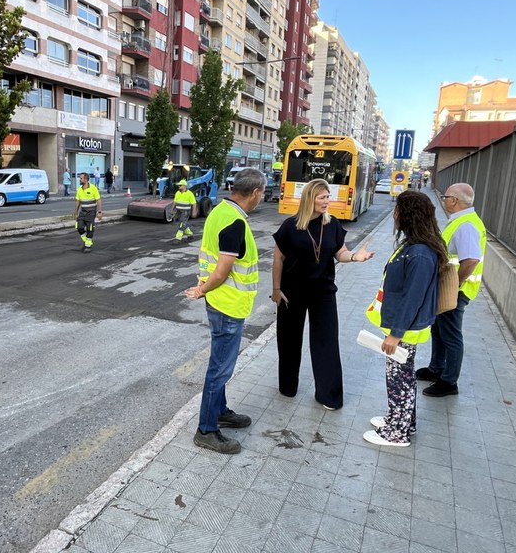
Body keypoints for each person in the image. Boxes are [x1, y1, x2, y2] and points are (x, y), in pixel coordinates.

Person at [271, 178, 374, 410]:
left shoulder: (333, 224)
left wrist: (355, 257)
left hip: (323, 293)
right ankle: (287, 386)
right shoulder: (290, 226)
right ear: (310, 198)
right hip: (291, 292)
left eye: (328, 196)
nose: (327, 201)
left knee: (326, 342)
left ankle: (329, 396)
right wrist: (276, 290)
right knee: (288, 341)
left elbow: (340, 252)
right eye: (322, 197)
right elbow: (278, 259)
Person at [184, 168, 267, 454]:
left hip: (220, 300)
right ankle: (206, 430)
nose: (261, 197)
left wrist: (203, 288)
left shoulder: (219, 211)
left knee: (219, 364)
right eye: (262, 193)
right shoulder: (234, 222)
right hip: (227, 304)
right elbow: (221, 271)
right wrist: (202, 290)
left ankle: (219, 411)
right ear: (254, 193)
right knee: (220, 369)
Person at [363, 191, 449, 447]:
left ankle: (397, 433)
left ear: (409, 215)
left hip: (405, 330)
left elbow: (413, 297)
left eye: (398, 210)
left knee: (398, 379)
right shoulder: (415, 245)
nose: (394, 215)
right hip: (402, 326)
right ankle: (401, 420)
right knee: (403, 376)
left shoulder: (420, 253)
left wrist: (395, 334)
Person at [416, 183, 486, 397]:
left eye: (446, 196)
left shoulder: (466, 225)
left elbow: (471, 260)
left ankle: (449, 381)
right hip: (449, 287)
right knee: (439, 329)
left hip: (456, 291)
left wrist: (455, 285)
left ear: (454, 200)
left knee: (451, 334)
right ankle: (436, 368)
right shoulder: (461, 220)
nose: (444, 199)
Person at [74, 172, 102, 252]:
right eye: (80, 178)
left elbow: (98, 200)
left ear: (86, 179)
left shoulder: (93, 188)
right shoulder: (79, 190)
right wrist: (76, 212)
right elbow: (77, 201)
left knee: (90, 228)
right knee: (79, 227)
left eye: (81, 178)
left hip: (91, 211)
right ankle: (86, 240)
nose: (80, 180)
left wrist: (99, 212)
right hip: (83, 212)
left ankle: (88, 246)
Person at [169, 179, 197, 244]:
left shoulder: (189, 194)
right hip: (178, 211)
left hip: (185, 212)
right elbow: (175, 202)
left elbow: (194, 203)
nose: (179, 186)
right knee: (183, 224)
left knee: (182, 225)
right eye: (178, 185)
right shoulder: (177, 193)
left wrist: (194, 212)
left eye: (180, 185)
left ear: (184, 186)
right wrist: (172, 210)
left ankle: (178, 239)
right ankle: (190, 235)